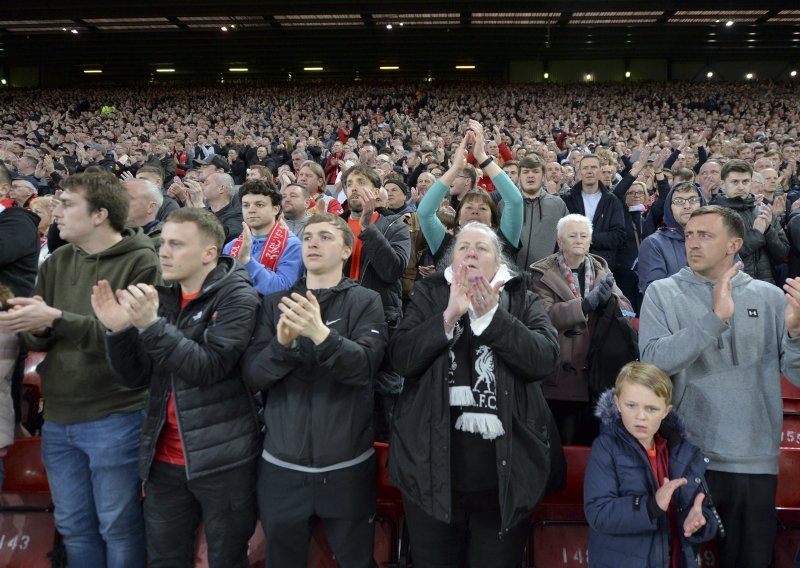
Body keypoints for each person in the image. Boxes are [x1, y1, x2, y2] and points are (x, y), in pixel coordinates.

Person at [0, 170, 160, 567]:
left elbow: (128, 340)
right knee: (73, 525)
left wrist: (55, 317)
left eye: (67, 204)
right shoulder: (57, 260)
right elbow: (41, 338)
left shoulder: (142, 261)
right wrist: (35, 324)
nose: (57, 211)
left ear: (100, 214)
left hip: (115, 413)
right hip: (58, 415)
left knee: (117, 526)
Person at [92, 207, 260, 567]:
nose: (163, 251)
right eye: (163, 242)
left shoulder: (238, 296)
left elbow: (207, 367)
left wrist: (151, 326)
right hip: (162, 459)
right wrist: (119, 331)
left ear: (208, 253)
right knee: (166, 559)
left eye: (176, 244)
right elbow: (133, 377)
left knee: (226, 560)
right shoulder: (163, 296)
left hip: (222, 461)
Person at [389, 222, 560, 568]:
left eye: (482, 247)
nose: (470, 252)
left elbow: (544, 359)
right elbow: (402, 358)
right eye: (463, 245)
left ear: (499, 262)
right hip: (430, 476)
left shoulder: (522, 298)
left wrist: (493, 318)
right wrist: (448, 317)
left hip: (504, 482)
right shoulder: (429, 293)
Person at [639, 205, 800, 567]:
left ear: (734, 244)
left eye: (705, 236)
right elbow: (652, 362)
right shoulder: (662, 293)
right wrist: (715, 320)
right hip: (686, 457)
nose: (692, 243)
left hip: (754, 460)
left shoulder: (770, 297)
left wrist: (796, 334)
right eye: (689, 235)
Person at [242, 213, 387, 567]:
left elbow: (363, 368)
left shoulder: (366, 301)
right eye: (307, 237)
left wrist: (320, 335)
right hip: (281, 468)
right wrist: (283, 346)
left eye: (324, 236)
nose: (312, 243)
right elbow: (253, 377)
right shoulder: (275, 303)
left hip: (347, 467)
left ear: (345, 250)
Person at [584, 362, 719, 567]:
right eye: (631, 405)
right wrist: (650, 506)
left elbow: (702, 510)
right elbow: (599, 513)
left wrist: (700, 522)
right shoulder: (605, 448)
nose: (641, 416)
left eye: (651, 408)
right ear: (617, 402)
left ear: (666, 411)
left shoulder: (682, 451)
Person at [530, 214, 632, 445]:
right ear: (560, 240)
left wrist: (610, 304)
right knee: (558, 445)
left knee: (588, 444)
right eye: (572, 235)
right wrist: (584, 305)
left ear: (590, 241)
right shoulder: (541, 274)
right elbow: (543, 314)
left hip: (595, 373)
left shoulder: (602, 271)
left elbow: (628, 311)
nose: (578, 240)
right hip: (557, 375)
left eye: (583, 235)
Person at [417, 120, 522, 269]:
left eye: (483, 208)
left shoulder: (504, 241)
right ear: (458, 218)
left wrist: (481, 156)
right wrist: (456, 168)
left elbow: (515, 200)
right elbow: (424, 212)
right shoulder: (445, 243)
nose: (475, 210)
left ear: (493, 219)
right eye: (469, 207)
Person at [711, 159, 789, 285]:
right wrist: (757, 233)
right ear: (722, 184)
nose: (741, 187)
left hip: (766, 286)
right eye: (735, 182)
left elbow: (782, 254)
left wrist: (768, 230)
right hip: (731, 287)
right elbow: (719, 256)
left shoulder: (764, 211)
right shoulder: (713, 215)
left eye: (745, 181)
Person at [222, 180, 303, 296]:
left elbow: (283, 289)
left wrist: (247, 261)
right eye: (246, 205)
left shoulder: (292, 245)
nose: (251, 210)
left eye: (259, 204)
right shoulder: (231, 245)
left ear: (276, 209)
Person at [560, 154, 627, 272]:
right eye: (585, 168)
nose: (589, 171)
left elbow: (619, 235)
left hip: (602, 266)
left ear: (600, 171)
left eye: (593, 167)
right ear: (579, 172)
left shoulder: (612, 201)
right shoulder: (567, 199)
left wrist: (590, 239)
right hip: (571, 265)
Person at [637, 182, 705, 294]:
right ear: (670, 207)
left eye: (693, 200)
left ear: (702, 203)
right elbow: (654, 292)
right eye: (679, 201)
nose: (687, 206)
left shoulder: (719, 239)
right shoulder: (654, 244)